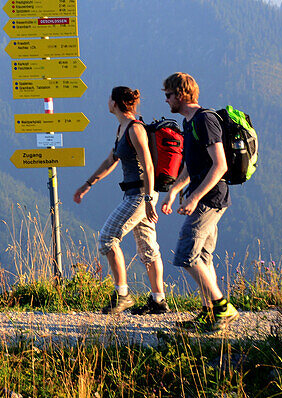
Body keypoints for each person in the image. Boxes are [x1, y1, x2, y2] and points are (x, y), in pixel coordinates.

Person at [74, 86, 168, 315]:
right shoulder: (121, 129)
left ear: (115, 103)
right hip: (137, 194)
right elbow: (110, 161)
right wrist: (87, 184)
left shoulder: (135, 129)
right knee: (148, 247)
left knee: (107, 238)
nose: (107, 101)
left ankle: (122, 295)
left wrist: (148, 198)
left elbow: (148, 164)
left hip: (140, 195)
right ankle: (158, 301)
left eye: (109, 98)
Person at [160, 72, 239, 331]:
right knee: (202, 256)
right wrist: (174, 191)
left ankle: (222, 307)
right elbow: (191, 166)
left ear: (181, 95)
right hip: (206, 196)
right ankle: (209, 313)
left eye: (169, 95)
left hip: (210, 199)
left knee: (186, 254)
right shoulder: (189, 122)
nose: (166, 100)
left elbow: (220, 166)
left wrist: (194, 198)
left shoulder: (205, 121)